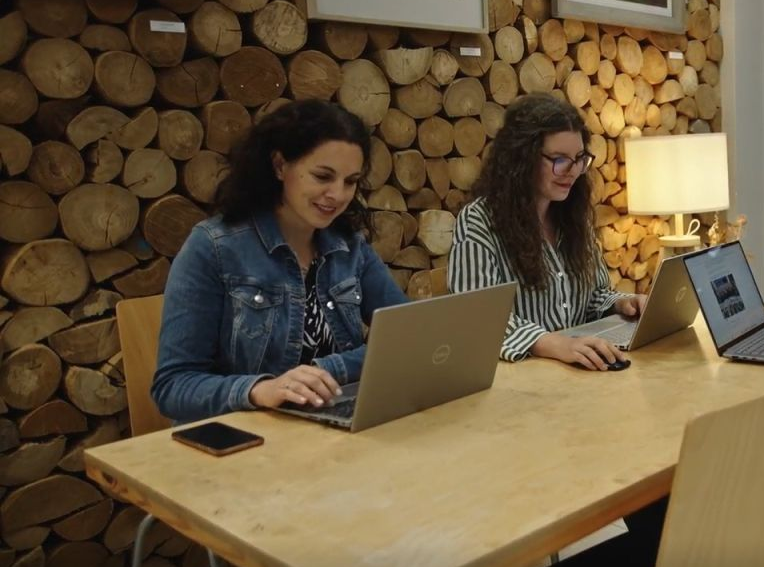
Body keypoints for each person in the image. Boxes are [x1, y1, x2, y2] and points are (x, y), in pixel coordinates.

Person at [152, 100, 408, 424]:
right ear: (279, 166)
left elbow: (407, 335)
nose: (338, 194)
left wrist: (328, 370)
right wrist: (260, 390)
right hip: (246, 437)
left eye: (350, 181)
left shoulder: (349, 247)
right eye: (322, 176)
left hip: (330, 430)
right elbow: (173, 386)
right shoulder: (213, 248)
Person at [449, 92, 647, 371]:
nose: (572, 171)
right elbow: (478, 318)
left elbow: (594, 296)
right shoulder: (479, 221)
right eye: (559, 159)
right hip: (520, 380)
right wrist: (552, 343)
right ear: (523, 159)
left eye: (579, 158)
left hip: (578, 372)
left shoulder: (573, 216)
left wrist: (623, 304)